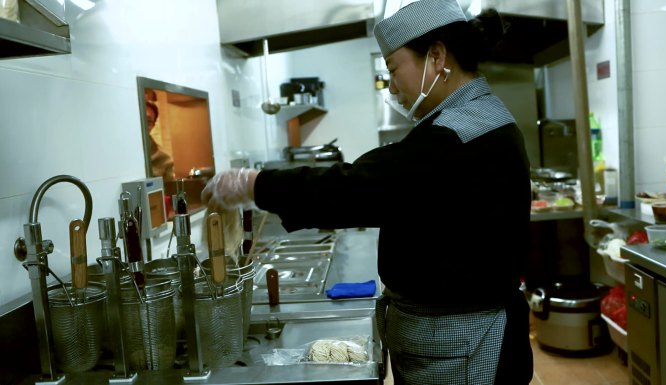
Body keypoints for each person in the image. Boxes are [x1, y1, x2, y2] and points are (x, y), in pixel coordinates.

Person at [202, 0, 533, 383]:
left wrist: (254, 184)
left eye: (393, 69)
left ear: (437, 56)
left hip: (465, 345)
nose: (392, 87)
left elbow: (357, 187)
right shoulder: (472, 120)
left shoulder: (460, 133)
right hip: (454, 337)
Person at [145, 99, 175, 180]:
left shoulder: (164, 160)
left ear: (153, 126)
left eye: (148, 121)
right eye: (139, 119)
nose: (142, 124)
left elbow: (168, 191)